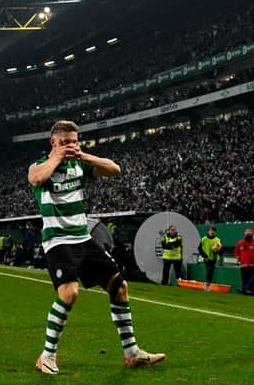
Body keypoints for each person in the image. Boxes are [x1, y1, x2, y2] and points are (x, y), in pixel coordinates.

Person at [28, 120, 165, 375]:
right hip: (58, 240)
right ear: (53, 142)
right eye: (65, 142)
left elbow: (115, 170)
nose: (71, 146)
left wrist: (84, 154)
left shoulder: (79, 164)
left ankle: (132, 353)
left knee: (120, 287)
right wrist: (57, 157)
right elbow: (36, 179)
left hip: (82, 238)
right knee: (69, 293)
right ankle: (46, 355)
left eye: (74, 141)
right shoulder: (40, 165)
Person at [198, 226, 222, 292]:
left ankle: (207, 285)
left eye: (213, 231)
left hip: (214, 258)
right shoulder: (204, 239)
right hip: (206, 258)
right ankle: (206, 285)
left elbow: (221, 251)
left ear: (215, 232)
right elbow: (199, 249)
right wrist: (204, 256)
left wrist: (217, 250)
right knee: (209, 270)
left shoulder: (218, 240)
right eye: (210, 230)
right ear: (208, 231)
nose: (211, 232)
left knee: (211, 272)